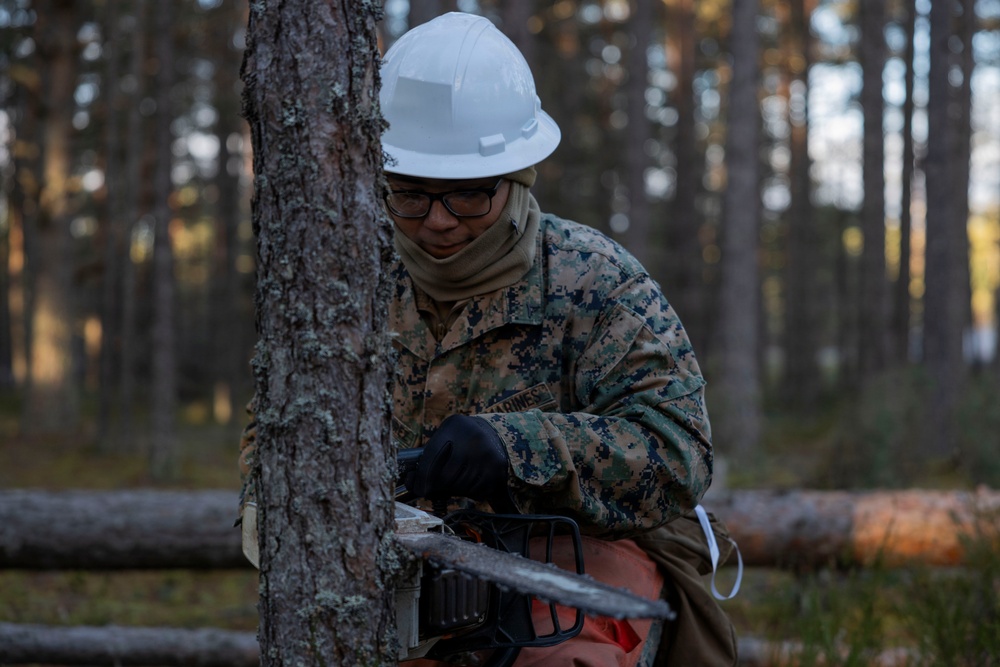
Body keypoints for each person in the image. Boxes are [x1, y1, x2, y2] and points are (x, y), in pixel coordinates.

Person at [240, 11, 737, 666]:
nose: (439, 222)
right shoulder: (348, 284)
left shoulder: (595, 282)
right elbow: (270, 433)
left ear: (517, 177)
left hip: (574, 557)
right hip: (395, 573)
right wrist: (281, 503)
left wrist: (516, 447)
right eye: (411, 197)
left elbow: (678, 452)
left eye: (468, 196)